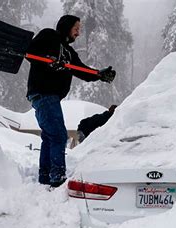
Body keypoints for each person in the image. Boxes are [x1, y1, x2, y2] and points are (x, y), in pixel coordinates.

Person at [26, 15, 116, 187]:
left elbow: (82, 71)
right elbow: (30, 52)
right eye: (76, 29)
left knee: (50, 137)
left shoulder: (68, 52)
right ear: (67, 27)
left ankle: (45, 177)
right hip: (43, 93)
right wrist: (49, 61)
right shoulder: (48, 36)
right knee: (59, 135)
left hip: (50, 97)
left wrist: (99, 74)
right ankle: (57, 177)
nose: (78, 33)